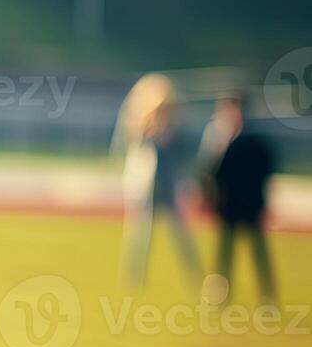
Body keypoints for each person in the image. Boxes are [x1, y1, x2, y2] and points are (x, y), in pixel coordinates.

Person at [110, 73, 203, 293]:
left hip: (169, 189)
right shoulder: (143, 129)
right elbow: (130, 146)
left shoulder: (175, 132)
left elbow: (183, 159)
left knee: (182, 237)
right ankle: (135, 280)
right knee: (142, 236)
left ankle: (195, 278)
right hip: (147, 191)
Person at [197, 91, 277, 307]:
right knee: (225, 255)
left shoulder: (253, 139)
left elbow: (266, 171)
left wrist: (265, 202)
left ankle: (267, 296)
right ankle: (221, 295)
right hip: (228, 207)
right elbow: (209, 174)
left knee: (258, 253)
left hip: (249, 205)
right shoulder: (218, 139)